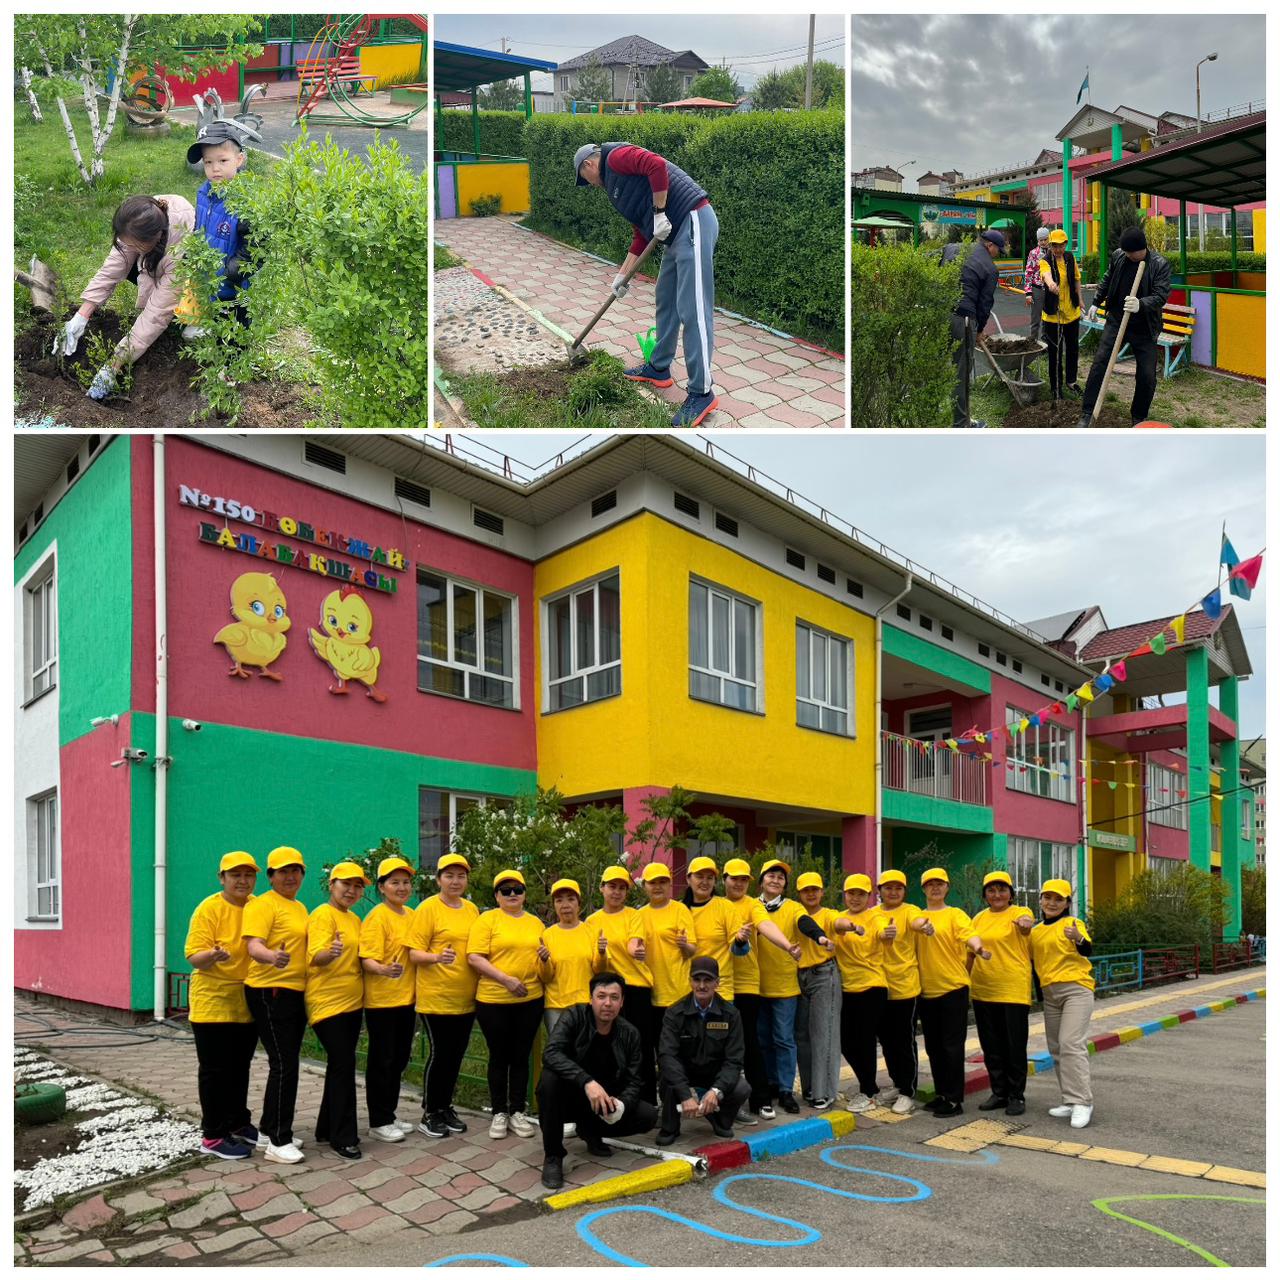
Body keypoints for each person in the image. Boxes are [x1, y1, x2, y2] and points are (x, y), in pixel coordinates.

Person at [574, 141, 720, 427]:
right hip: (673, 235)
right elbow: (641, 235)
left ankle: (702, 392)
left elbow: (656, 165)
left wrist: (659, 212)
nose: (589, 184)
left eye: (585, 178)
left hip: (693, 220)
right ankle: (659, 368)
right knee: (665, 300)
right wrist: (622, 276)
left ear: (589, 164)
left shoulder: (616, 157)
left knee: (693, 310)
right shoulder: (615, 191)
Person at [54, 194, 196, 401]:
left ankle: (189, 316)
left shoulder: (179, 250)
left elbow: (155, 315)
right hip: (157, 260)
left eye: (137, 246)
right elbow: (111, 269)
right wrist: (81, 316)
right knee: (126, 262)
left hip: (193, 278)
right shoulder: (138, 220)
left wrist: (114, 365)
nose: (131, 249)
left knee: (166, 310)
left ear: (157, 236)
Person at [536, 971, 660, 1189]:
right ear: (591, 999)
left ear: (622, 1002)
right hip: (570, 1096)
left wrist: (621, 1105)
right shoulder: (573, 1017)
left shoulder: (630, 1033)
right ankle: (553, 1156)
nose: (607, 1003)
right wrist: (586, 1081)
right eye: (601, 996)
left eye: (614, 997)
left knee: (647, 1115)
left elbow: (634, 1081)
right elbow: (551, 1053)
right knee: (550, 1079)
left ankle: (591, 1130)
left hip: (604, 1101)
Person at [184, 851, 261, 1159]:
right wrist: (213, 955)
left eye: (248, 875)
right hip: (212, 999)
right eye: (235, 875)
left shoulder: (259, 906)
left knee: (239, 1067)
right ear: (222, 878)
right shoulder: (209, 909)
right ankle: (213, 1135)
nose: (242, 881)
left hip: (246, 998)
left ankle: (238, 1123)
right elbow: (193, 956)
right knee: (215, 1070)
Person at [241, 846, 311, 1164]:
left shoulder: (298, 907)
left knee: (285, 1062)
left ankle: (270, 1129)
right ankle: (278, 1142)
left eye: (295, 870)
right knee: (284, 1064)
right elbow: (253, 945)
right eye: (283, 871)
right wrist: (272, 956)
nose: (290, 876)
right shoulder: (263, 905)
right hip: (269, 991)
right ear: (270, 876)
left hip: (293, 991)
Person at [721, 858, 801, 1120]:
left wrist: (788, 946)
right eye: (734, 878)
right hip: (718, 984)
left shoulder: (753, 906)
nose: (739, 883)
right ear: (724, 880)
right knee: (721, 1046)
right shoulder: (716, 905)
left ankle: (763, 1097)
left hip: (746, 984)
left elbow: (766, 927)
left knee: (753, 1043)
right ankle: (723, 1099)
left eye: (744, 879)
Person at [467, 869, 543, 1140]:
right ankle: (499, 1112)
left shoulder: (535, 923)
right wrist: (505, 979)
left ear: (524, 893)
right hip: (493, 1000)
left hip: (530, 999)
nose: (512, 894)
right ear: (497, 895)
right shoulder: (487, 920)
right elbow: (475, 957)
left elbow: (543, 958)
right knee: (499, 1055)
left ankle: (517, 1111)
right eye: (505, 890)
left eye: (517, 889)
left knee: (520, 1056)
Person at [407, 852, 479, 1139]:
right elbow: (413, 953)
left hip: (466, 996)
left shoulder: (471, 909)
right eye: (449, 875)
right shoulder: (428, 909)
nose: (455, 881)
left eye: (460, 876)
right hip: (436, 996)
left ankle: (446, 1106)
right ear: (438, 879)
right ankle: (430, 1112)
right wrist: (437, 957)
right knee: (440, 1054)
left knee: (456, 1055)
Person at [1076, 224, 1172, 427]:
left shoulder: (1159, 264)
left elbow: (1161, 295)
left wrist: (1141, 304)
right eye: (1125, 252)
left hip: (1145, 327)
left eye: (1131, 252)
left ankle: (1138, 417)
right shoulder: (1120, 256)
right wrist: (1096, 301)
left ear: (1141, 249)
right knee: (1100, 363)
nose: (1127, 255)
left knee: (1147, 375)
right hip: (1117, 320)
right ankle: (1088, 412)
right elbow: (1108, 278)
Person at [305, 861, 369, 1160]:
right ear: (332, 886)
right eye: (346, 884)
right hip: (327, 1003)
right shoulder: (322, 915)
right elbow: (314, 957)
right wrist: (327, 953)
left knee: (339, 1063)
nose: (352, 891)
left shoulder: (354, 920)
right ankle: (343, 1137)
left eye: (357, 886)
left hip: (353, 1001)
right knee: (344, 1063)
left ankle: (325, 1128)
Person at [915, 867, 989, 1117]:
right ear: (923, 888)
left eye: (940, 883)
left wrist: (979, 949)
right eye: (930, 884)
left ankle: (955, 1099)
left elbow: (971, 936)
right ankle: (942, 1093)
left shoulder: (955, 915)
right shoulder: (917, 917)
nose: (935, 888)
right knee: (933, 1047)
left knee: (952, 1046)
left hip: (953, 988)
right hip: (926, 991)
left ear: (947, 888)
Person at [656, 956, 749, 1145]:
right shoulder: (675, 1012)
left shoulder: (731, 1014)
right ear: (690, 981)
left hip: (713, 1076)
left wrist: (716, 1090)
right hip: (685, 1074)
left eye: (707, 980)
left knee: (742, 1088)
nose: (701, 985)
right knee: (667, 1077)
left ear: (717, 983)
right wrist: (685, 1094)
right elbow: (667, 1056)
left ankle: (719, 1119)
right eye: (697, 980)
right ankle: (670, 1127)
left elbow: (734, 1059)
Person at [754, 859, 821, 1115]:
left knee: (784, 1039)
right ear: (762, 881)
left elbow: (805, 923)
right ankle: (769, 1084)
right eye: (771, 875)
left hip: (784, 987)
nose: (775, 880)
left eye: (781, 878)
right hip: (756, 987)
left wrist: (820, 936)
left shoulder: (792, 907)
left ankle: (785, 1089)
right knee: (762, 1040)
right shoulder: (752, 907)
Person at [359, 855, 418, 1143]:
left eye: (406, 882)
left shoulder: (411, 915)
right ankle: (378, 1120)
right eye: (395, 882)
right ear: (382, 887)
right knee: (382, 1060)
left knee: (398, 1059)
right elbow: (366, 959)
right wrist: (383, 969)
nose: (402, 887)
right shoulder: (377, 917)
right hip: (382, 1002)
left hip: (407, 1000)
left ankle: (390, 1114)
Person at [1029, 878, 1096, 1129]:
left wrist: (1078, 938)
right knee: (1056, 1048)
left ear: (1068, 903)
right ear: (1041, 900)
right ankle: (1069, 1100)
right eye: (1048, 898)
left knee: (1071, 1043)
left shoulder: (1072, 923)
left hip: (1076, 990)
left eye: (1059, 899)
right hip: (1050, 994)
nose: (1052, 903)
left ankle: (1082, 1101)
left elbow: (1087, 950)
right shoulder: (1036, 931)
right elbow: (1034, 966)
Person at [586, 866, 656, 1100]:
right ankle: (613, 1097)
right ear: (601, 888)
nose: (616, 892)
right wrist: (602, 953)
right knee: (609, 1046)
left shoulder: (633, 916)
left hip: (635, 988)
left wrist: (635, 950)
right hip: (607, 991)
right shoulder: (592, 922)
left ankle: (646, 1100)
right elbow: (595, 964)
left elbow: (634, 942)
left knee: (642, 1046)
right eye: (612, 886)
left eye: (622, 888)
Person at [184, 118, 260, 336]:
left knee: (236, 327)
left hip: (235, 284)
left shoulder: (246, 201)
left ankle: (232, 365)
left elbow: (254, 246)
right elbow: (200, 228)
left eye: (223, 160)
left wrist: (231, 273)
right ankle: (211, 332)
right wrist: (193, 252)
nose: (215, 169)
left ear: (239, 159)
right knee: (217, 317)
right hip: (210, 277)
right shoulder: (203, 192)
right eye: (208, 162)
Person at [969, 871, 1035, 1117]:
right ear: (985, 894)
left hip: (1012, 990)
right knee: (991, 1045)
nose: (997, 895)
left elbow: (1028, 923)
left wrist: (1027, 925)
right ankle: (999, 1092)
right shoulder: (978, 918)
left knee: (1014, 1045)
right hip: (983, 988)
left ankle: (1016, 1095)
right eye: (991, 890)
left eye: (1002, 890)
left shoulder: (1018, 913)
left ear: (1010, 894)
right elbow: (969, 947)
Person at [628, 863, 697, 1091]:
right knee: (651, 1049)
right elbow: (633, 945)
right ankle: (657, 1099)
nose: (658, 887)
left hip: (678, 992)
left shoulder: (680, 910)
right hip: (649, 993)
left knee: (679, 1050)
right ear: (645, 886)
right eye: (652, 882)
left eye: (662, 882)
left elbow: (691, 951)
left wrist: (684, 945)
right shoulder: (639, 914)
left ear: (669, 884)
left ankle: (683, 1095)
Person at [867, 869, 924, 1114]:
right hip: (879, 988)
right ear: (879, 891)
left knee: (904, 1040)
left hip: (905, 987)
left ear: (904, 891)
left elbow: (918, 922)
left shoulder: (910, 911)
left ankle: (908, 1091)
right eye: (888, 888)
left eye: (898, 888)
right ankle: (896, 1083)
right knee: (887, 1041)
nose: (893, 892)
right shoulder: (871, 915)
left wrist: (925, 927)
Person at [793, 872, 850, 1110]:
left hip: (824, 975)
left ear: (822, 892)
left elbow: (840, 924)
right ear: (799, 893)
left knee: (823, 1034)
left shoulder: (829, 915)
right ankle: (809, 1088)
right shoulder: (794, 914)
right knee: (802, 1036)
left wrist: (852, 926)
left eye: (815, 889)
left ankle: (824, 1092)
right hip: (799, 977)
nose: (811, 893)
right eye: (806, 890)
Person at [833, 873, 888, 1114]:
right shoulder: (838, 918)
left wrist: (887, 934)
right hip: (848, 989)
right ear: (844, 895)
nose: (855, 898)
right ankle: (869, 1086)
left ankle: (868, 1091)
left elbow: (882, 932)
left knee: (865, 1042)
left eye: (861, 894)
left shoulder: (876, 916)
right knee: (845, 1041)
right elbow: (837, 928)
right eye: (851, 893)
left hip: (871, 986)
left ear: (869, 896)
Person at [950, 229, 1005, 428]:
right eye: (999, 250)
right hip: (963, 320)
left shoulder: (955, 248)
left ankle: (943, 411)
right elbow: (985, 304)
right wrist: (980, 329)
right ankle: (962, 424)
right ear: (990, 245)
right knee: (962, 373)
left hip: (940, 313)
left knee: (943, 368)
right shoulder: (990, 269)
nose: (998, 255)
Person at [539, 878, 600, 1036]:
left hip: (586, 1004)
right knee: (559, 1053)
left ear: (578, 903)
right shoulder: (547, 935)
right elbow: (546, 977)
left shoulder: (592, 932)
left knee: (585, 1053)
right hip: (555, 1006)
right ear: (554, 905)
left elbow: (599, 970)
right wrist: (544, 961)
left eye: (571, 899)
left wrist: (602, 953)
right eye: (559, 900)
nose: (565, 905)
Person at [683, 857, 739, 1001]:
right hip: (685, 989)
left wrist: (741, 941)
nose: (705, 882)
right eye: (699, 876)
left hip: (719, 990)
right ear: (688, 879)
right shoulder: (679, 910)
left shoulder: (725, 907)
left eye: (710, 878)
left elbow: (738, 948)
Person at [1039, 228, 1082, 400]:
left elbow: (1077, 279)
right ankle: (1056, 388)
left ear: (1065, 244)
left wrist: (1080, 300)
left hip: (1072, 313)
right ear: (1050, 245)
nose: (1057, 249)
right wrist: (1050, 284)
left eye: (1061, 245)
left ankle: (1071, 381)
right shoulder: (1045, 260)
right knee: (1055, 353)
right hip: (1053, 316)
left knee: (1073, 349)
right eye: (1054, 246)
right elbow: (1046, 274)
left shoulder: (1070, 258)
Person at [1023, 226, 1051, 344]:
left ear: (1049, 238)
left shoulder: (1053, 251)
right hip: (1037, 289)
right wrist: (1028, 293)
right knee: (1036, 318)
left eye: (1045, 239)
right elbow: (1028, 273)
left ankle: (1047, 342)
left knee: (1049, 317)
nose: (1043, 242)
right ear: (1038, 241)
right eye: (1041, 240)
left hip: (1051, 289)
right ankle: (1033, 342)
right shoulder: (1033, 253)